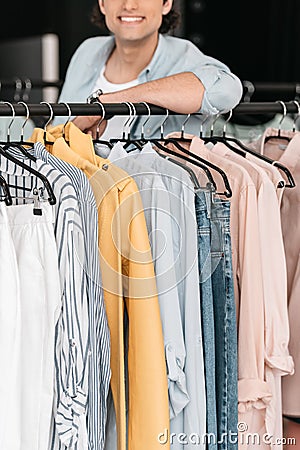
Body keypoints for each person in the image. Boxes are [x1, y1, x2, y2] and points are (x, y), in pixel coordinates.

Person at [52, 0, 243, 139]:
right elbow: (56, 129)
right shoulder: (88, 51)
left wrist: (106, 104)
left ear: (166, 4)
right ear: (102, 4)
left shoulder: (182, 57)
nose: (129, 5)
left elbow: (226, 91)